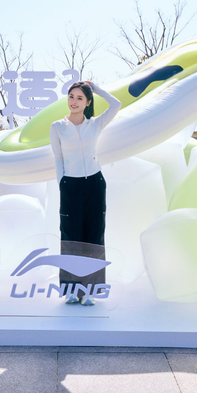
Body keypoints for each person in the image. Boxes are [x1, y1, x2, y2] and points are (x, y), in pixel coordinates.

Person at [49, 81, 122, 305]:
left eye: (80, 98)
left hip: (95, 184)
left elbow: (116, 105)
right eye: (71, 96)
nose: (74, 101)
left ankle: (89, 290)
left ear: (88, 102)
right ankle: (72, 289)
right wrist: (62, 182)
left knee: (94, 236)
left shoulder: (95, 124)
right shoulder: (58, 127)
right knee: (71, 236)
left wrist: (97, 89)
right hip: (70, 185)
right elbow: (58, 157)